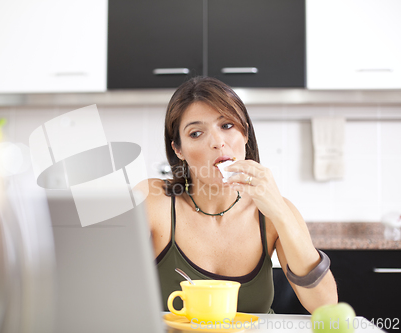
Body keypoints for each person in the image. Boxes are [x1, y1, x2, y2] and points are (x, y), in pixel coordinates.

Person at [136, 76, 337, 314]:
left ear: (245, 134)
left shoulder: (274, 212)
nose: (218, 142)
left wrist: (280, 214)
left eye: (227, 126)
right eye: (196, 133)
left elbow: (325, 305)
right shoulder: (153, 200)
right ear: (178, 149)